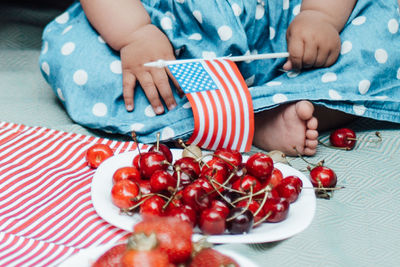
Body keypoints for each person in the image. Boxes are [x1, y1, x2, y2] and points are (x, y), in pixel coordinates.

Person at [39, 0, 400, 156]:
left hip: (283, 36)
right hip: (169, 45)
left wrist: (321, 15)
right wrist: (135, 33)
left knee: (385, 26)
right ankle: (248, 121)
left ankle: (284, 102)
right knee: (75, 54)